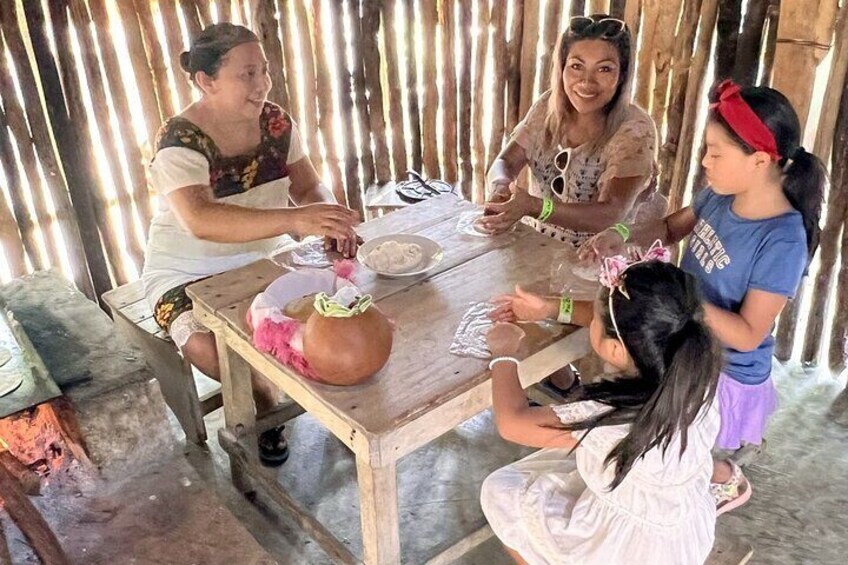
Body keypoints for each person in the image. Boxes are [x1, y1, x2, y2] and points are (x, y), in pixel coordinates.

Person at [580, 80, 826, 513]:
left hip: (726, 371)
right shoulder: (719, 194)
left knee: (685, 443)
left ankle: (727, 481)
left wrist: (678, 299)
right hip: (691, 341)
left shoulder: (782, 241)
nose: (704, 160)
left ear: (761, 160)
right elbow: (672, 227)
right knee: (660, 427)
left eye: (716, 152)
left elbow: (748, 334)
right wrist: (620, 235)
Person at [141, 23, 359, 465]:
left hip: (267, 258)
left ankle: (339, 409)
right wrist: (297, 219)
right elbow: (200, 219)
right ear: (207, 81)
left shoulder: (276, 124)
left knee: (337, 317)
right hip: (185, 270)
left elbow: (310, 185)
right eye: (247, 74)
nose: (261, 85)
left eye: (264, 72)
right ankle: (266, 408)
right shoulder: (179, 140)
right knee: (209, 346)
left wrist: (329, 219)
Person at [481, 260, 722, 564]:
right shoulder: (695, 376)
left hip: (623, 551)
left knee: (499, 490)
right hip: (680, 538)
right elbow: (623, 322)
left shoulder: (611, 416)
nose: (591, 321)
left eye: (595, 320)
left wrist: (504, 356)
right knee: (564, 464)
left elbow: (512, 423)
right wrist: (550, 309)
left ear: (615, 350)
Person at [479, 14, 663, 248]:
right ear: (562, 68)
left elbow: (610, 214)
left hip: (604, 261)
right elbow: (505, 161)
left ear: (622, 76)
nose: (586, 81)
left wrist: (536, 207)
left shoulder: (635, 130)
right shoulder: (547, 108)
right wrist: (500, 187)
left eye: (604, 69)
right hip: (541, 248)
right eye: (576, 66)